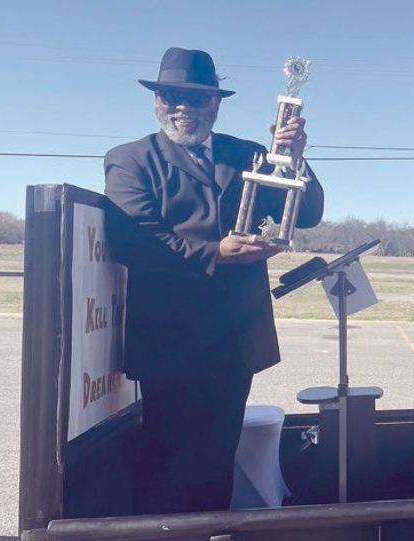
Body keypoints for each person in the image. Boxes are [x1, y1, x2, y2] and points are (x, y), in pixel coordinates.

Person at [104, 47, 325, 514]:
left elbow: (307, 213)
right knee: (168, 462)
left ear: (216, 104)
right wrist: (215, 254)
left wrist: (296, 159)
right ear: (157, 99)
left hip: (235, 342)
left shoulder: (248, 154)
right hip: (171, 345)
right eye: (172, 95)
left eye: (197, 98)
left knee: (215, 461)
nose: (183, 107)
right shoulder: (130, 160)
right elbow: (135, 241)